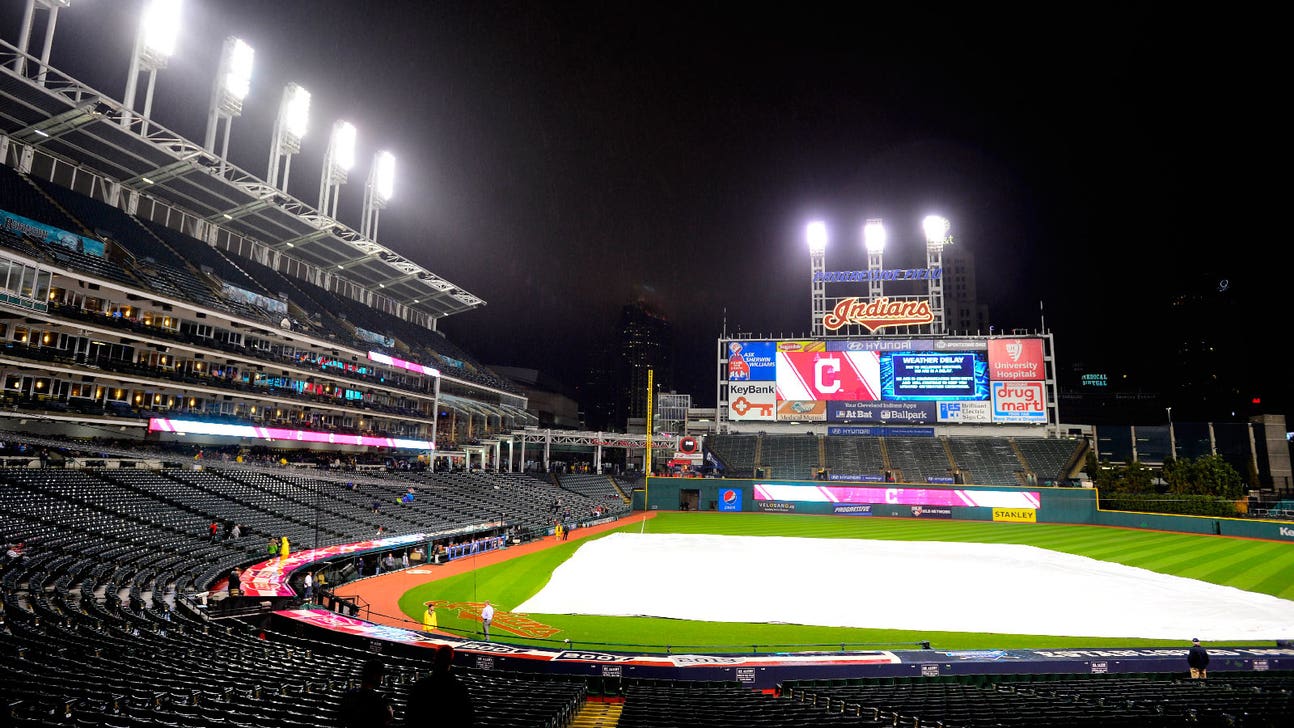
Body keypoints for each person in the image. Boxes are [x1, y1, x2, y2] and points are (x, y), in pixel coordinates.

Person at [405, 644, 475, 726]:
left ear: (435, 659)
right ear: (451, 661)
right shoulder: (460, 688)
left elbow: (409, 717)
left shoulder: (420, 685)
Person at [334, 658, 393, 727]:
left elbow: (341, 719)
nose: (382, 679)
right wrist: (390, 713)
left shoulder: (348, 695)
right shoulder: (379, 699)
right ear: (375, 676)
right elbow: (385, 721)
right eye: (381, 676)